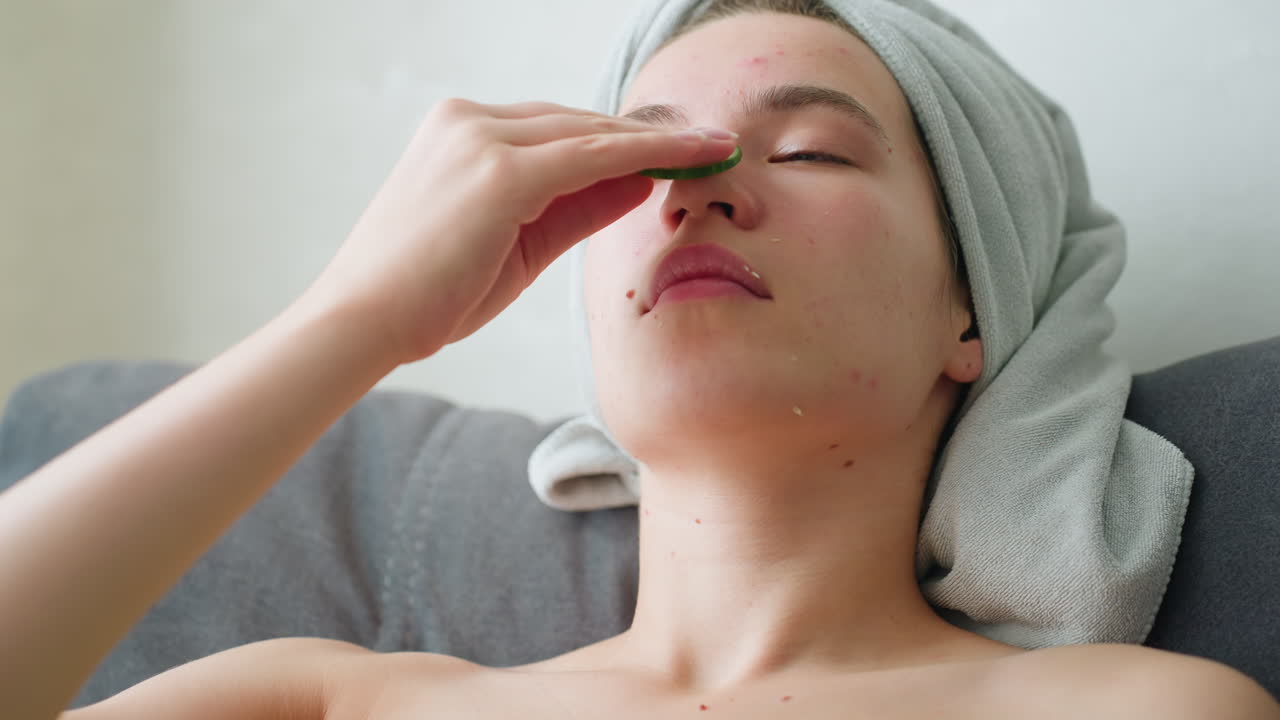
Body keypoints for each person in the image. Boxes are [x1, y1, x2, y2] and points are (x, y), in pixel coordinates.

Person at [1, 4, 1277, 719]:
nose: (693, 196)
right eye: (642, 161)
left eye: (811, 151)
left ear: (974, 312)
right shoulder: (310, 705)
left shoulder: (1132, 714)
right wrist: (358, 318)